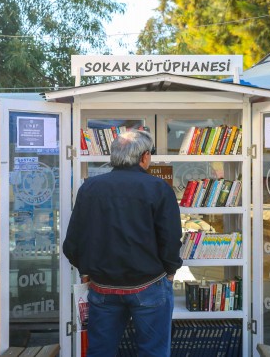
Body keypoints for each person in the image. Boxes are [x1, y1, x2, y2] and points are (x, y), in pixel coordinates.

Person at [63, 129, 183, 356]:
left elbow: (73, 242)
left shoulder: (89, 188)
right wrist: (170, 271)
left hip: (102, 286)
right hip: (149, 284)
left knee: (100, 351)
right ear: (145, 156)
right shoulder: (158, 188)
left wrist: (85, 271)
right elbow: (170, 239)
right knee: (153, 351)